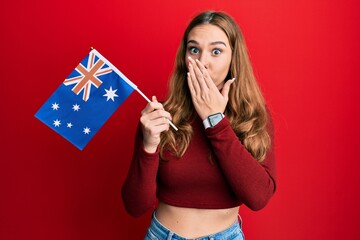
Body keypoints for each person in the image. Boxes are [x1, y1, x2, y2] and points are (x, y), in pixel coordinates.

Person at [121, 10, 276, 240]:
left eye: (216, 51)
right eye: (194, 49)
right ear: (185, 58)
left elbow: (258, 197)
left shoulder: (252, 117)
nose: (202, 62)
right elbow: (135, 206)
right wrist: (148, 145)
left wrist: (215, 121)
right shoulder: (162, 116)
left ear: (234, 58)